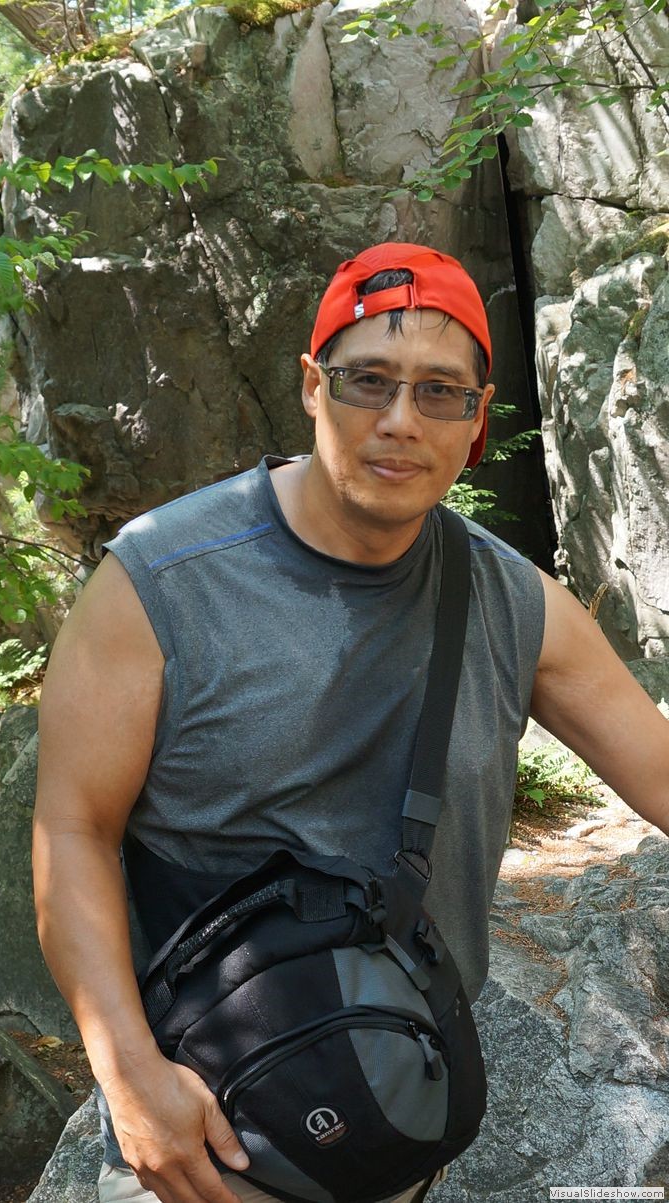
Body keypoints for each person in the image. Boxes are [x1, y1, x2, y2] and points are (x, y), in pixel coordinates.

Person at [33, 242, 669, 1203]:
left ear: (478, 419)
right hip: (203, 1139)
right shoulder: (159, 583)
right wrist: (128, 1078)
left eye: (440, 392)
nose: (400, 419)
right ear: (311, 385)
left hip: (392, 1117)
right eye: (368, 380)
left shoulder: (515, 606)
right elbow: (71, 830)